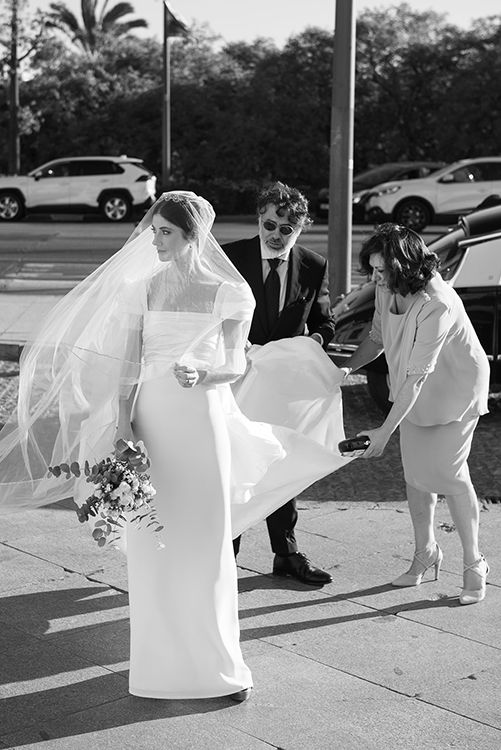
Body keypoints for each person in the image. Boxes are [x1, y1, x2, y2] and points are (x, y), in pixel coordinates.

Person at [0, 191, 352, 702]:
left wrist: (205, 370)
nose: (154, 239)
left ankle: (219, 666)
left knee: (207, 545)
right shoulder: (141, 290)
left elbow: (237, 364)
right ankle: (156, 667)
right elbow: (125, 370)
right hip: (149, 423)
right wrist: (122, 428)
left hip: (203, 420)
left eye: (165, 231)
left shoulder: (229, 293)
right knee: (152, 545)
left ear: (193, 237)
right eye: (154, 229)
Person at [342, 223, 490, 605]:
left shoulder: (436, 303)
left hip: (454, 390)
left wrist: (384, 432)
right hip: (414, 391)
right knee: (416, 476)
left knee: (450, 475)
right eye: (372, 270)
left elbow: (417, 377)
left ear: (404, 267)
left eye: (381, 271)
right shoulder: (385, 288)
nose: (374, 278)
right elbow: (376, 337)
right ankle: (426, 553)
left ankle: (475, 563)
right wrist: (343, 371)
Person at [223, 181, 336, 586]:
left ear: (300, 228)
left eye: (286, 229)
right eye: (269, 224)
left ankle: (286, 553)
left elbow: (325, 322)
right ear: (259, 218)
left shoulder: (313, 264)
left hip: (282, 387)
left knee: (280, 462)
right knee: (234, 464)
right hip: (234, 381)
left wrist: (312, 343)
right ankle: (224, 555)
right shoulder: (230, 257)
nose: (275, 233)